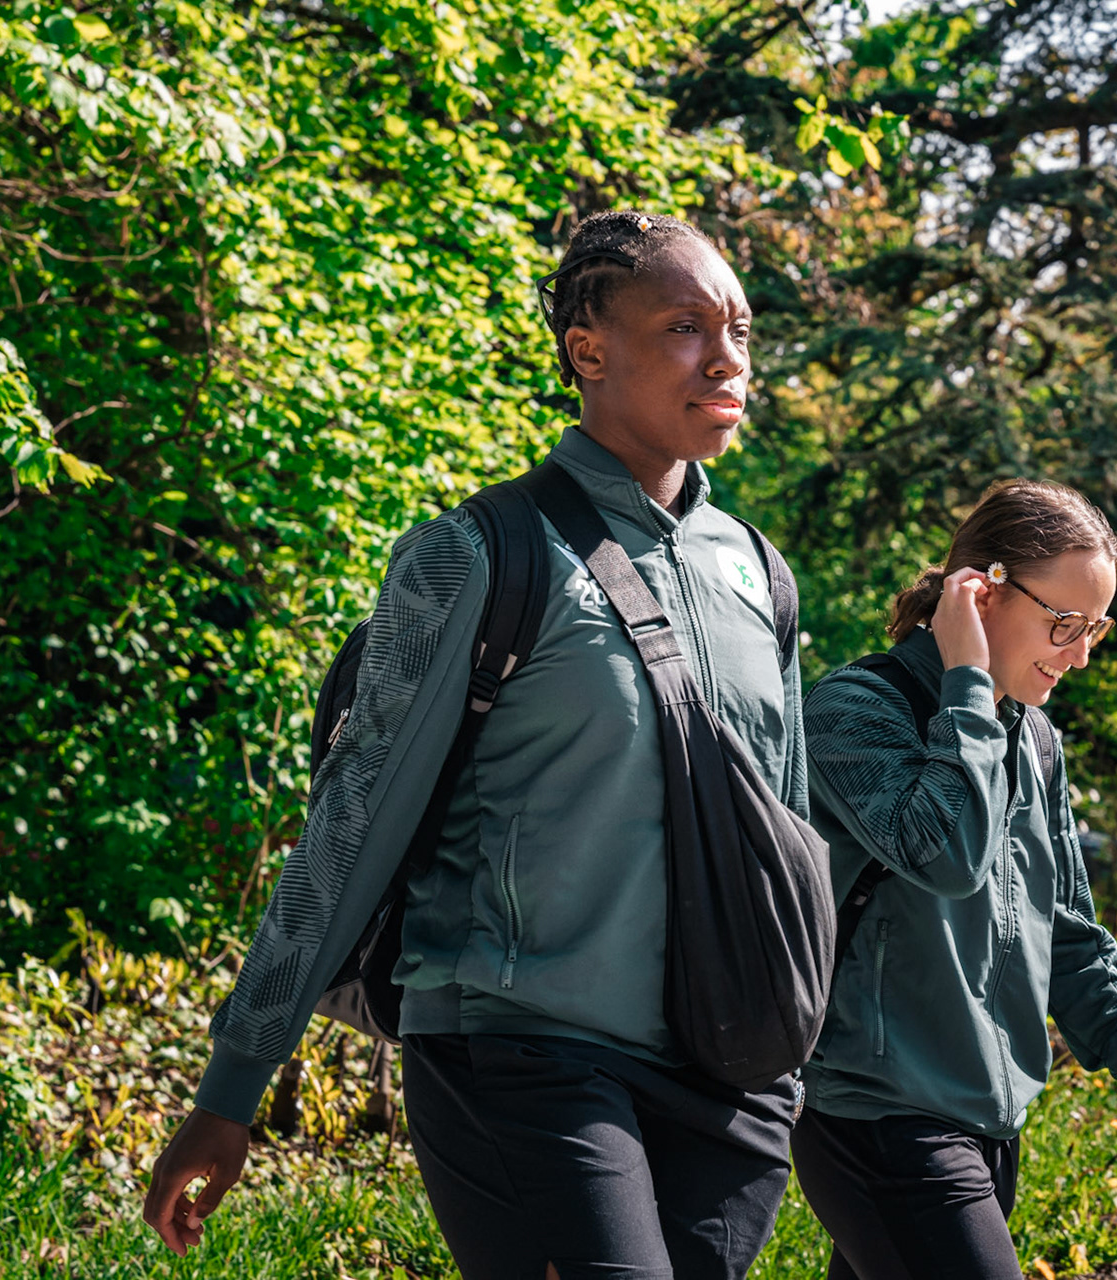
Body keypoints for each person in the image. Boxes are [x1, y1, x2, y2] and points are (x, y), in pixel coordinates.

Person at [143, 211, 809, 1280]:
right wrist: (233, 1086)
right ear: (587, 349)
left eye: (737, 325)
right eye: (685, 326)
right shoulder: (481, 554)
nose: (727, 355)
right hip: (525, 1049)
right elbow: (348, 830)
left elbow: (787, 848)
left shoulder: (759, 572)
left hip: (727, 1078)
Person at [792, 479, 1117, 1280]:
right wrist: (966, 684)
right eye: (1065, 624)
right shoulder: (855, 709)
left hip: (989, 1129)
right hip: (878, 1120)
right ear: (983, 593)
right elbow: (946, 855)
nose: (1083, 653)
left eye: (1095, 626)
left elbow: (1069, 939)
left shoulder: (1033, 740)